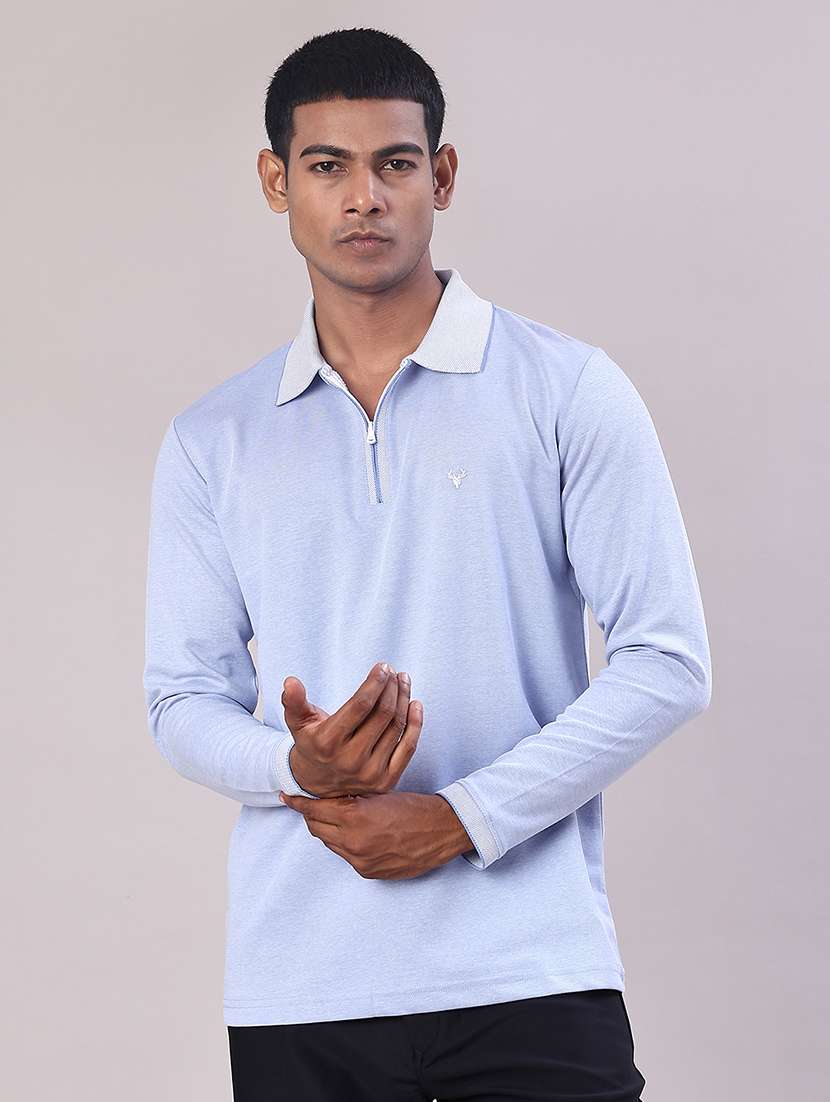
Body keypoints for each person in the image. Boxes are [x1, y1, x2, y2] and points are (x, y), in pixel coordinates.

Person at [143, 25, 711, 1102]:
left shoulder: (565, 389)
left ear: (440, 176)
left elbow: (667, 660)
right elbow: (180, 699)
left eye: (394, 163)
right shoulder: (213, 440)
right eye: (327, 165)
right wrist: (295, 767)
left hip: (529, 969)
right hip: (300, 987)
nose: (364, 197)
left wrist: (462, 817)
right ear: (276, 181)